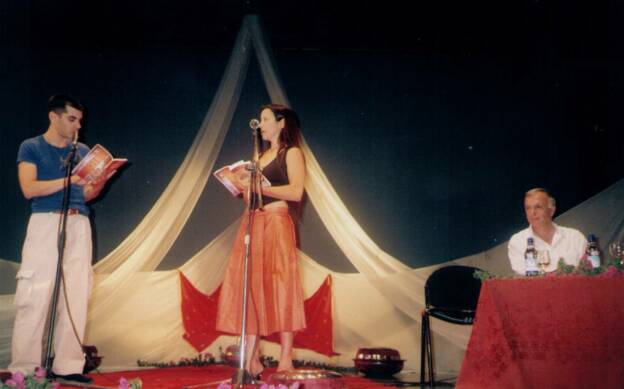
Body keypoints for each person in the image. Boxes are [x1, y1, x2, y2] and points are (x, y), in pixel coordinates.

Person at [9, 94, 110, 384]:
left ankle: (69, 366)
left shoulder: (84, 151)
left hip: (79, 222)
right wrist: (70, 181)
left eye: (80, 119)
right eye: (72, 118)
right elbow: (28, 188)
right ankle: (25, 370)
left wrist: (99, 180)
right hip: (45, 222)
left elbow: (88, 194)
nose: (78, 125)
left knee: (76, 294)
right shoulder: (31, 146)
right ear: (54, 117)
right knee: (35, 295)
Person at [216, 104, 307, 379]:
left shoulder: (291, 153)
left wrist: (261, 187)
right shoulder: (259, 157)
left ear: (282, 123)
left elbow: (296, 191)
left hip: (277, 221)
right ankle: (252, 359)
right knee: (251, 287)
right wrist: (243, 185)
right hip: (253, 221)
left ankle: (285, 358)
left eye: (266, 119)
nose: (262, 124)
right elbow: (252, 195)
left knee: (282, 284)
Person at [507, 188, 586, 275]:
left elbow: (591, 272)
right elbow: (526, 280)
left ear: (551, 211)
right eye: (528, 208)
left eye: (538, 207)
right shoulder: (517, 242)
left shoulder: (575, 237)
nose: (532, 212)